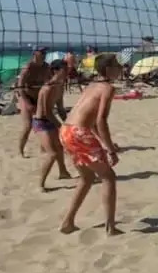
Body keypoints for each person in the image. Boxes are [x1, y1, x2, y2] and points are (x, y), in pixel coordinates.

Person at [58, 53, 122, 235]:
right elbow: (101, 121)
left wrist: (105, 143)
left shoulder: (91, 85)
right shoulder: (108, 88)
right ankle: (110, 227)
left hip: (66, 130)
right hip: (79, 132)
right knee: (109, 177)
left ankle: (67, 222)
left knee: (86, 178)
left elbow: (92, 122)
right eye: (117, 65)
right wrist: (111, 150)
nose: (120, 68)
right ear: (108, 69)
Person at [33, 61, 73, 190]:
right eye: (64, 69)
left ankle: (63, 172)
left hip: (50, 121)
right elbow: (46, 112)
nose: (67, 72)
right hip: (41, 122)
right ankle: (40, 184)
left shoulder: (60, 86)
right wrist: (60, 126)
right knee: (52, 154)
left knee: (60, 148)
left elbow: (60, 108)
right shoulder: (47, 88)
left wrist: (68, 123)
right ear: (56, 71)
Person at [17, 47, 51, 158]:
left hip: (38, 98)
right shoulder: (28, 67)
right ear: (35, 53)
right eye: (42, 52)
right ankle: (21, 151)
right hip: (25, 97)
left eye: (45, 52)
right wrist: (27, 103)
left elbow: (48, 82)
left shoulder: (46, 67)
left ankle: (44, 148)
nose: (44, 54)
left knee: (44, 124)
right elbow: (20, 87)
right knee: (28, 126)